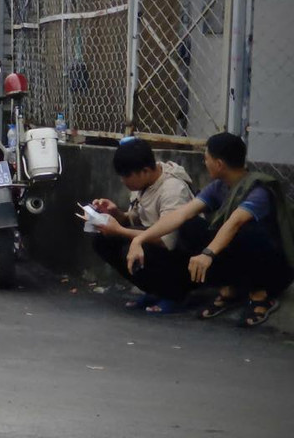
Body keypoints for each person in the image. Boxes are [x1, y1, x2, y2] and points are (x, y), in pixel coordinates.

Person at [108, 132, 294, 327]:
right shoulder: (218, 187)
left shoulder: (258, 191)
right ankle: (230, 289)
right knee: (191, 226)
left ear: (219, 164)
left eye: (206, 158)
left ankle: (261, 294)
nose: (204, 162)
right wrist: (140, 239)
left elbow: (235, 223)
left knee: (246, 233)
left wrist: (208, 254)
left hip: (276, 268)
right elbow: (181, 214)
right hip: (241, 256)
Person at [89, 138, 195, 314]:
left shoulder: (173, 190)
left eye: (126, 176)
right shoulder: (145, 183)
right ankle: (155, 290)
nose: (123, 181)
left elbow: (167, 239)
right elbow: (138, 219)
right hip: (153, 242)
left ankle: (174, 294)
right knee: (102, 240)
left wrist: (119, 230)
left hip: (179, 254)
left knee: (133, 246)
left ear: (145, 171)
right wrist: (117, 214)